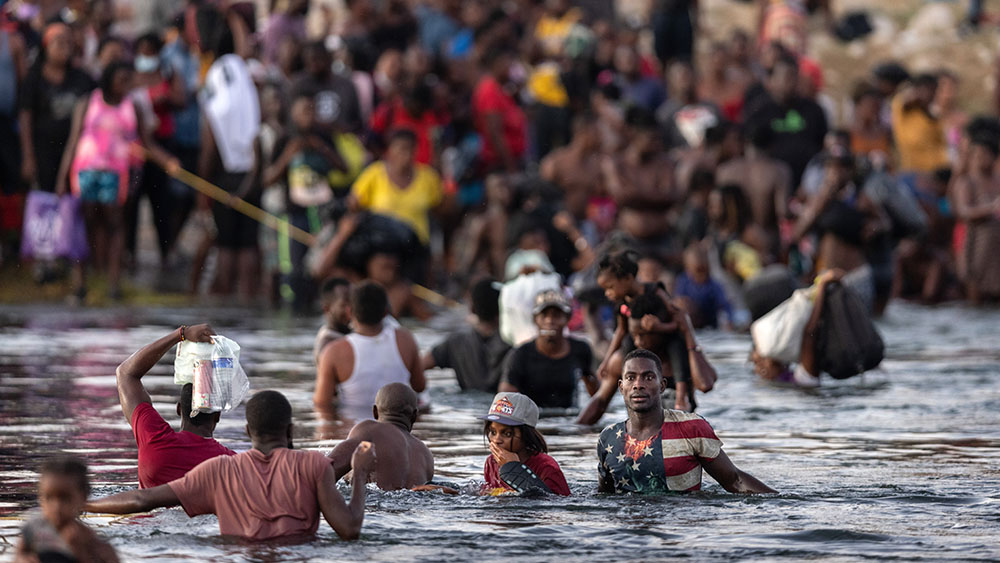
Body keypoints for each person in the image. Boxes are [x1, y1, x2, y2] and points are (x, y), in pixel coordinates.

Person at [86, 391, 376, 541]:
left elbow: (141, 500)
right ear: (290, 431)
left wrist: (85, 505)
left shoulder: (219, 470)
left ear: (249, 432)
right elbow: (349, 530)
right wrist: (360, 472)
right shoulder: (314, 465)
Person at [57, 60, 180, 303]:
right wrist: (62, 177)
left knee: (115, 223)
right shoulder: (88, 102)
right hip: (86, 171)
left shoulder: (132, 105)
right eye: (121, 79)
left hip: (116, 173)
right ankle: (80, 283)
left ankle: (113, 284)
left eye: (128, 80)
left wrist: (167, 160)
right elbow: (73, 140)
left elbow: (147, 142)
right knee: (85, 224)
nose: (125, 85)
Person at [597, 349, 776, 494]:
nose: (638, 384)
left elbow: (735, 481)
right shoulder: (609, 438)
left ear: (662, 386)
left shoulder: (690, 428)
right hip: (627, 526)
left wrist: (781, 504)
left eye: (648, 377)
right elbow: (604, 496)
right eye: (630, 378)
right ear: (621, 387)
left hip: (681, 524)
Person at [115, 323, 236, 488]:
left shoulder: (155, 441)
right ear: (217, 415)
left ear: (179, 409)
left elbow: (125, 373)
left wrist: (181, 334)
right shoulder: (232, 464)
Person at [315, 281, 425, 416]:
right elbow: (420, 386)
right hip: (397, 424)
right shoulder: (406, 339)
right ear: (386, 312)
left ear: (349, 312)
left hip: (354, 426)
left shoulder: (333, 352)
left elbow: (322, 404)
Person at [499, 289, 596, 409]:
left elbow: (596, 393)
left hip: (569, 417)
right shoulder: (520, 355)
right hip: (532, 418)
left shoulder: (581, 350)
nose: (550, 321)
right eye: (544, 315)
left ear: (567, 319)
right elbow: (505, 400)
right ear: (535, 320)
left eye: (556, 315)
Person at [327, 383, 434, 490]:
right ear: (414, 416)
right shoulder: (426, 454)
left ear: (375, 411)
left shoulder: (368, 430)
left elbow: (328, 469)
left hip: (374, 499)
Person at [744, 52, 827, 185]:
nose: (791, 82)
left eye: (794, 77)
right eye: (786, 77)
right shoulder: (758, 111)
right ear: (772, 80)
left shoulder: (814, 110)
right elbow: (751, 151)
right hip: (770, 182)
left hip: (808, 182)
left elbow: (822, 145)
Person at [16, 457, 119, 563]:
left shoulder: (94, 544)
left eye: (65, 498)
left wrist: (80, 552)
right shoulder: (33, 530)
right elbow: (19, 556)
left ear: (83, 498)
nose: (56, 506)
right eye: (49, 497)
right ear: (40, 497)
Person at [750, 269, 842, 386]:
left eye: (761, 362)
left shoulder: (805, 377)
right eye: (757, 364)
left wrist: (822, 286)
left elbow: (810, 334)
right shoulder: (771, 387)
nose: (760, 369)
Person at [715, 124, 791, 260]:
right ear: (771, 145)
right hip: (764, 248)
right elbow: (783, 212)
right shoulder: (779, 171)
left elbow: (716, 209)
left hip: (730, 248)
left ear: (745, 142)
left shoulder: (725, 171)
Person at [422, 278, 511, 392]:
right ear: (503, 309)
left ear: (472, 308)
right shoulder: (513, 344)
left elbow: (418, 366)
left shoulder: (455, 342)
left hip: (466, 400)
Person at [480, 392, 570, 496]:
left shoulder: (546, 467)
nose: (496, 440)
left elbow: (556, 501)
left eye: (507, 433)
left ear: (526, 435)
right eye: (493, 432)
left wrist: (513, 468)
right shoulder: (491, 463)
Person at [953, 132, 1000, 303]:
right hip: (976, 245)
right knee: (976, 296)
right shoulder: (967, 182)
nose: (980, 158)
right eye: (977, 154)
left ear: (994, 156)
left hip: (997, 246)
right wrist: (991, 208)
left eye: (984, 154)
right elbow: (963, 212)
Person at [472, 48, 527, 173]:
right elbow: (494, 133)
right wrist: (511, 167)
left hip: (513, 159)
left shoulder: (501, 88)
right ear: (497, 63)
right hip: (501, 165)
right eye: (508, 63)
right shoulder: (489, 90)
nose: (511, 68)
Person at [291, 40, 362, 134]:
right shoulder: (300, 85)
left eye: (316, 59)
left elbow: (356, 122)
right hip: (310, 139)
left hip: (341, 138)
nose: (313, 64)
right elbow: (294, 122)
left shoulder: (345, 85)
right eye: (309, 61)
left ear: (327, 58)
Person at [892, 74, 949, 174]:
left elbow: (942, 143)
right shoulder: (904, 108)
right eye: (929, 90)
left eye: (934, 91)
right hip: (913, 170)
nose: (932, 95)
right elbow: (906, 99)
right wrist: (919, 92)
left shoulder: (933, 116)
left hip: (937, 170)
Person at [674, 244, 735, 329]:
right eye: (698, 271)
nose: (702, 276)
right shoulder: (683, 282)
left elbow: (725, 305)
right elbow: (677, 303)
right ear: (688, 269)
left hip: (710, 324)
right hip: (689, 323)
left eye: (705, 270)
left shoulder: (713, 285)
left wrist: (729, 320)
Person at [314, 277, 352, 365]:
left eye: (354, 302)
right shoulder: (327, 344)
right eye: (344, 305)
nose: (351, 310)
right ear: (327, 309)